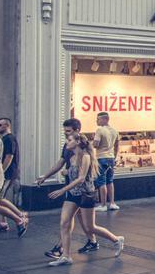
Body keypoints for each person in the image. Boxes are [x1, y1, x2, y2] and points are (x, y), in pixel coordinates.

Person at [46, 134, 124, 265]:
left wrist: (61, 190)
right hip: (73, 194)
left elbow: (81, 178)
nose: (67, 142)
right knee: (64, 224)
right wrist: (65, 173)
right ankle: (66, 256)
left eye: (69, 140)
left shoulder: (86, 156)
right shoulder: (71, 157)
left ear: (77, 142)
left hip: (86, 194)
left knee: (90, 227)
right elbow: (72, 172)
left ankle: (116, 240)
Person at [0, 118, 26, 235]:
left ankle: (21, 216)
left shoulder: (9, 139)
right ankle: (3, 223)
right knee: (0, 198)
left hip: (8, 173)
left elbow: (9, 157)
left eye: (0, 125)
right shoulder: (5, 139)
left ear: (7, 126)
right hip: (8, 172)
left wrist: (2, 172)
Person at [92, 112, 121, 212]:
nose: (96, 121)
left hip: (101, 158)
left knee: (102, 182)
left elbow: (95, 144)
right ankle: (112, 203)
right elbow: (117, 146)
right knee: (110, 181)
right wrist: (115, 156)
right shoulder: (115, 131)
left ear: (105, 119)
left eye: (98, 119)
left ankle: (103, 205)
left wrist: (91, 143)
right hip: (111, 158)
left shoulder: (99, 130)